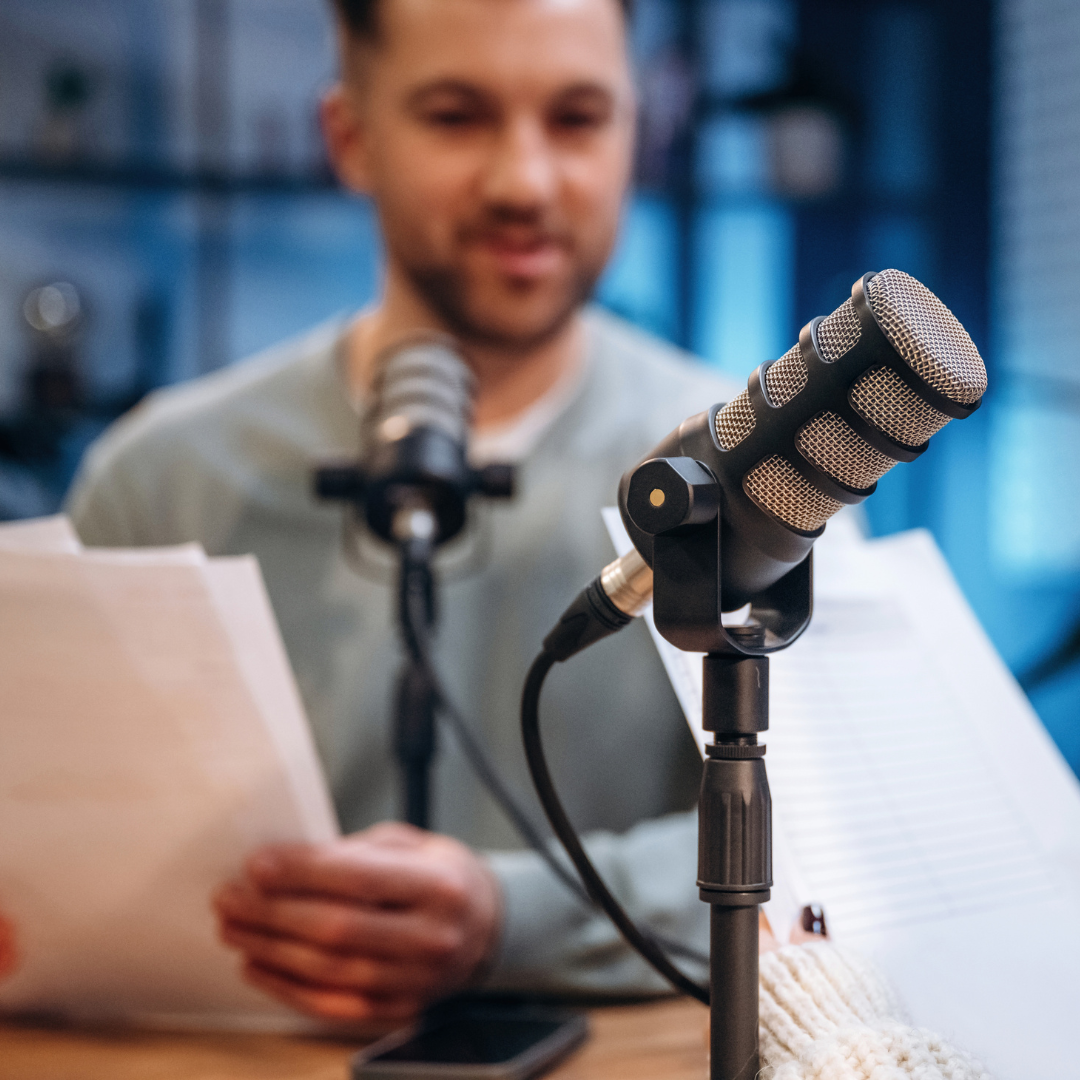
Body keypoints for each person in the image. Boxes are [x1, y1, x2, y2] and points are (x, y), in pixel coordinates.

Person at [56, 0, 735, 1025]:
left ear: (640, 128)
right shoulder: (157, 482)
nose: (525, 182)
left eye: (578, 117)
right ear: (350, 139)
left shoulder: (752, 478)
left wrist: (511, 916)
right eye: (457, 116)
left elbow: (834, 858)